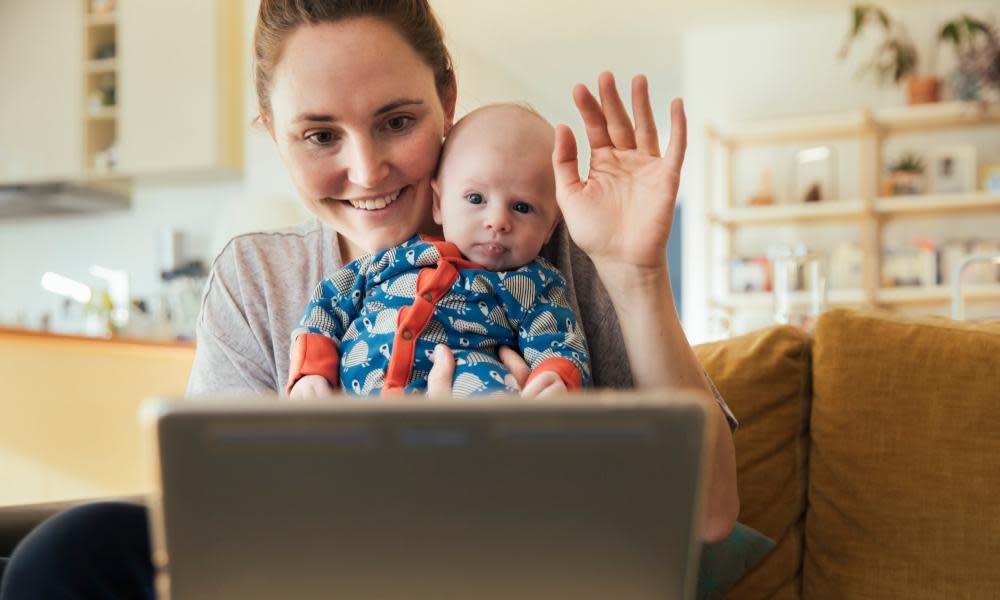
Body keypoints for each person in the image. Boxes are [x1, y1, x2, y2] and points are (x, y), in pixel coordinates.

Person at [0, 1, 739, 597]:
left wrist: (636, 273)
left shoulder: (560, 249)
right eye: (320, 135)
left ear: (447, 99)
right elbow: (225, 547)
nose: (366, 169)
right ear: (273, 136)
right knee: (68, 552)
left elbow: (709, 517)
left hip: (512, 574)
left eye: (397, 121)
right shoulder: (259, 277)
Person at [288, 103, 589, 400]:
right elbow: (327, 302)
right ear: (438, 202)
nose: (497, 221)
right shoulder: (393, 259)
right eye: (475, 198)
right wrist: (312, 371)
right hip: (358, 407)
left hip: (464, 391)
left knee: (480, 376)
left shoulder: (534, 284)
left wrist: (554, 379)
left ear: (550, 226)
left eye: (522, 207)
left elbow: (557, 340)